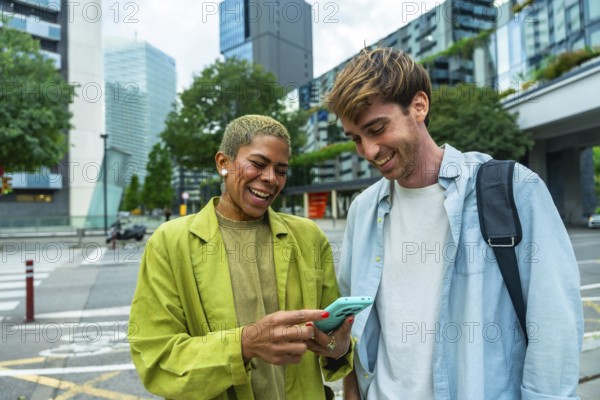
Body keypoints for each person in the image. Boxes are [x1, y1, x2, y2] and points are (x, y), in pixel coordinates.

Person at [325, 48, 584, 399]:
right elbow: (359, 329)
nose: (369, 151)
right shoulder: (363, 210)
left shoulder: (514, 189)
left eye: (377, 129)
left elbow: (554, 328)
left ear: (419, 106)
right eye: (356, 138)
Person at [128, 115, 353, 400]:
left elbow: (332, 340)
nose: (270, 178)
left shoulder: (308, 237)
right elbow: (158, 359)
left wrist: (339, 346)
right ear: (223, 163)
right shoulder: (169, 242)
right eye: (258, 164)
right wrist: (244, 345)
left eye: (281, 170)